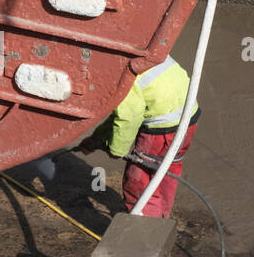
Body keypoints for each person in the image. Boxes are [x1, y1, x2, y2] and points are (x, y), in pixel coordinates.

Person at [82, 54, 199, 217]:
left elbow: (129, 116)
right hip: (189, 117)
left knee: (139, 182)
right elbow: (121, 112)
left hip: (162, 129)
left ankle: (147, 226)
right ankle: (163, 219)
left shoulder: (119, 72)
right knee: (166, 170)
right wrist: (98, 138)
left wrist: (117, 150)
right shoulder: (142, 47)